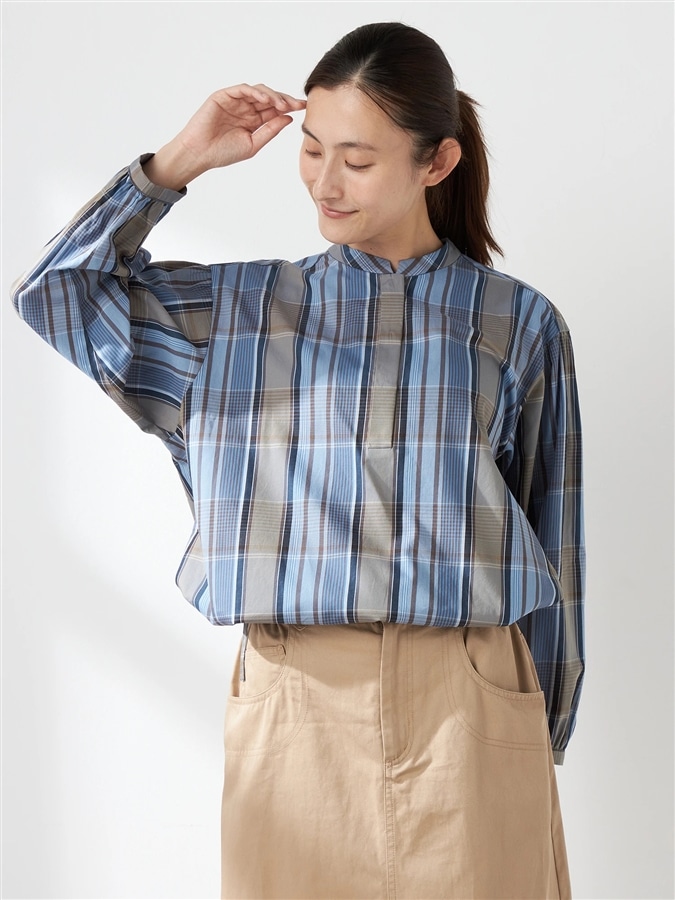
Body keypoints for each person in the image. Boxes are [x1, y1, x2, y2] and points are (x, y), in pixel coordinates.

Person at [11, 21, 584, 900]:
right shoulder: (232, 313)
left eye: (357, 159)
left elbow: (554, 536)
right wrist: (174, 164)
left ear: (437, 162)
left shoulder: (516, 322)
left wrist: (535, 724)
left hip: (468, 700)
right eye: (312, 150)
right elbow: (55, 294)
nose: (324, 181)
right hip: (292, 702)